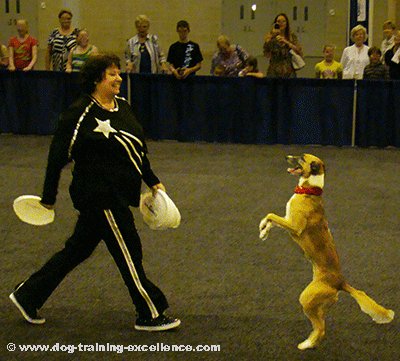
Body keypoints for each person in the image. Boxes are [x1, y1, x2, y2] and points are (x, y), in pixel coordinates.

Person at [9, 53, 181, 332]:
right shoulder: (78, 114)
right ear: (96, 79)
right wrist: (48, 199)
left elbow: (136, 148)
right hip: (100, 196)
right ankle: (148, 312)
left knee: (76, 250)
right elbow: (57, 157)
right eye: (112, 74)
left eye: (118, 74)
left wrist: (152, 180)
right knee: (129, 250)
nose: (119, 79)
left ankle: (28, 295)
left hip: (119, 193)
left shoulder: (123, 107)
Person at [263, 13, 303, 78]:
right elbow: (266, 53)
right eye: (278, 21)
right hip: (274, 71)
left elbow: (299, 51)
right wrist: (272, 37)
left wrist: (286, 42)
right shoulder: (270, 36)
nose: (281, 23)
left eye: (283, 21)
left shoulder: (291, 36)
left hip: (289, 71)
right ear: (275, 23)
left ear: (287, 23)